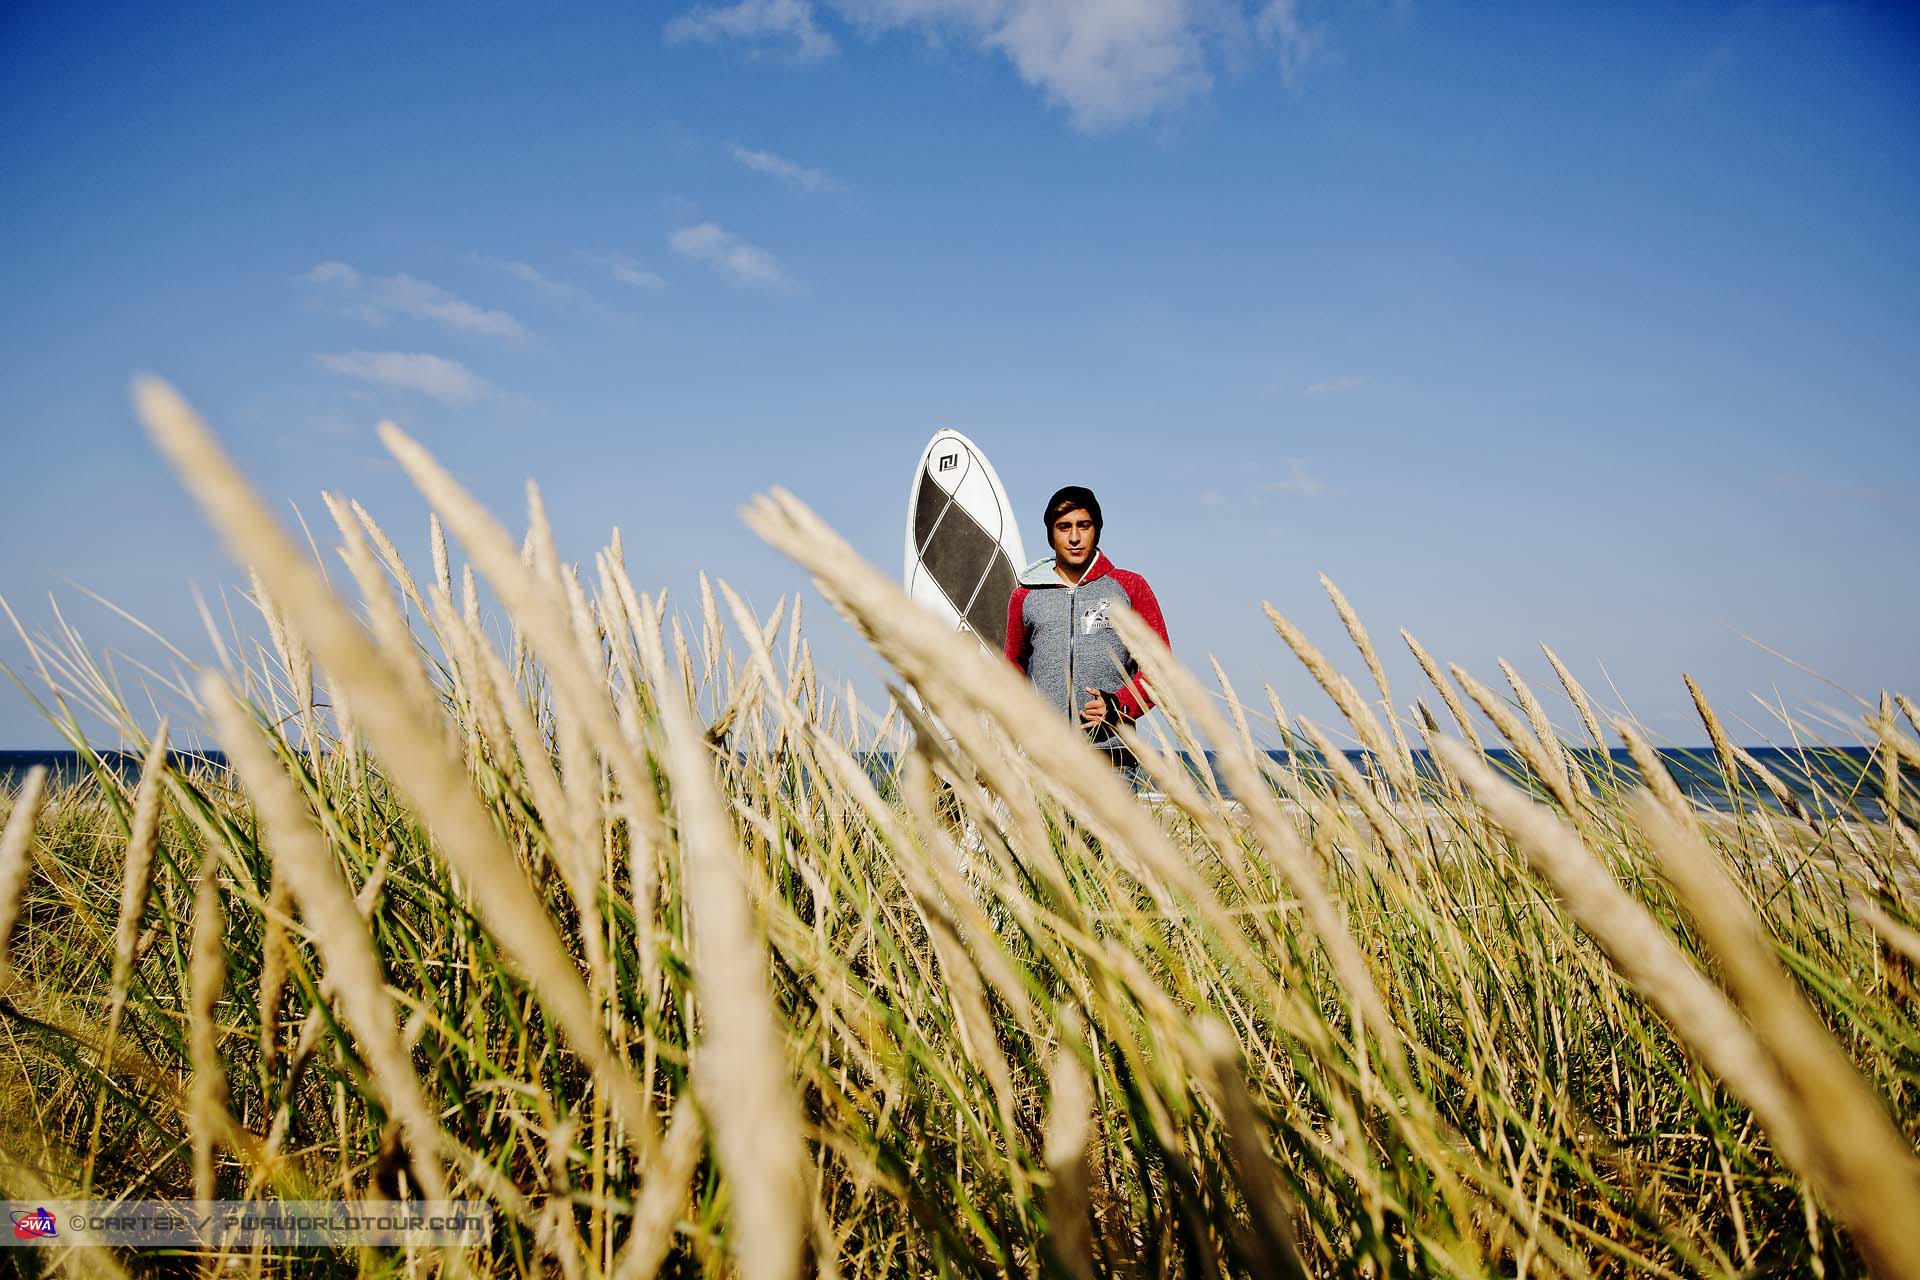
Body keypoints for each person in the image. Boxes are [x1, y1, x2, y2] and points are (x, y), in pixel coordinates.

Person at [1003, 485, 1169, 773]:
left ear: (1097, 530)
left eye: (1084, 525)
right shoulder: (1025, 596)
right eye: (1064, 527)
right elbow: (1012, 669)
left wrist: (1119, 705)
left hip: (1112, 758)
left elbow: (1160, 668)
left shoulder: (1128, 587)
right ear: (1051, 534)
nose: (1075, 537)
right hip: (1044, 759)